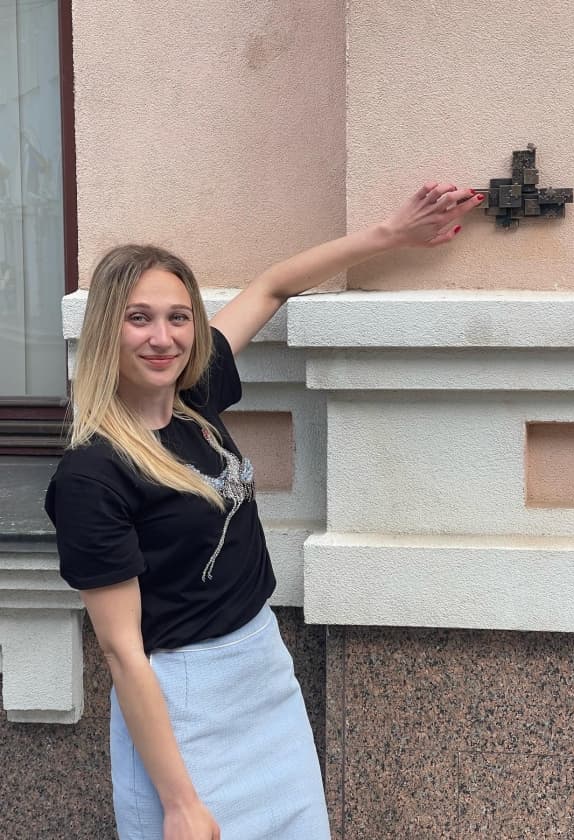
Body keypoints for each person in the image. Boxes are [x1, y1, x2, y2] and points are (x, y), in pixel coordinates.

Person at [45, 182, 484, 840]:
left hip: (262, 674)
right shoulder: (93, 475)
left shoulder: (194, 399)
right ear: (108, 327)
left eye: (178, 317)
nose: (162, 337)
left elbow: (273, 286)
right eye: (139, 318)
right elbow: (122, 651)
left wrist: (391, 235)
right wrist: (180, 803)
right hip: (184, 704)